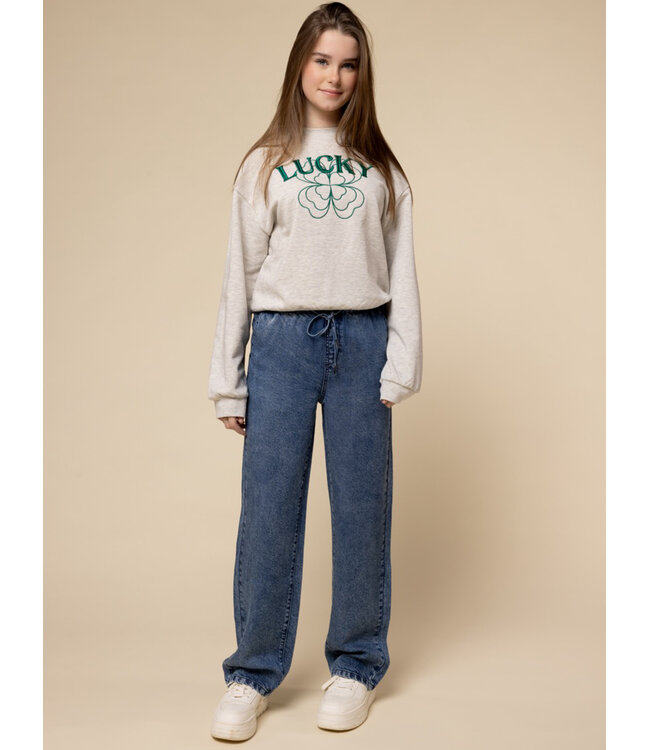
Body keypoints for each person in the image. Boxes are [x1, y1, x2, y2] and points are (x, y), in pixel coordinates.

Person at [207, 2, 423, 740]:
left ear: (363, 75)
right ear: (300, 65)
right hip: (282, 343)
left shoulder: (381, 169)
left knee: (362, 508)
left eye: (349, 64)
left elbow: (402, 272)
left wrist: (401, 363)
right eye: (323, 60)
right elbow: (240, 272)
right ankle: (251, 673)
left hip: (363, 342)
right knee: (269, 509)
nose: (335, 76)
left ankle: (356, 664)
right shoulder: (264, 162)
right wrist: (228, 379)